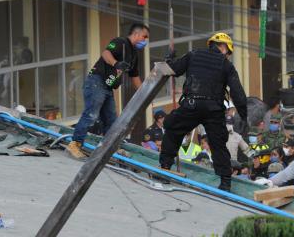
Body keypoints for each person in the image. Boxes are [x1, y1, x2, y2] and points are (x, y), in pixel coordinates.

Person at [159, 32, 248, 192]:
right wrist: (244, 114)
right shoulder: (226, 65)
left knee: (173, 128)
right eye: (228, 52)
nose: (227, 55)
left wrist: (169, 59)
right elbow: (237, 92)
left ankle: (164, 167)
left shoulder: (193, 55)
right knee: (218, 143)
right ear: (223, 47)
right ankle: (225, 182)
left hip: (191, 105)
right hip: (213, 110)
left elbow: (173, 69)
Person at [67, 24, 149, 159]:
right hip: (96, 82)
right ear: (136, 34)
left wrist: (145, 94)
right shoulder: (120, 42)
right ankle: (75, 144)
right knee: (91, 115)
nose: (145, 40)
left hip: (108, 87)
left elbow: (135, 77)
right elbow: (106, 53)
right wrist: (116, 63)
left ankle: (111, 149)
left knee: (111, 120)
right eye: (144, 37)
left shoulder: (134, 55)